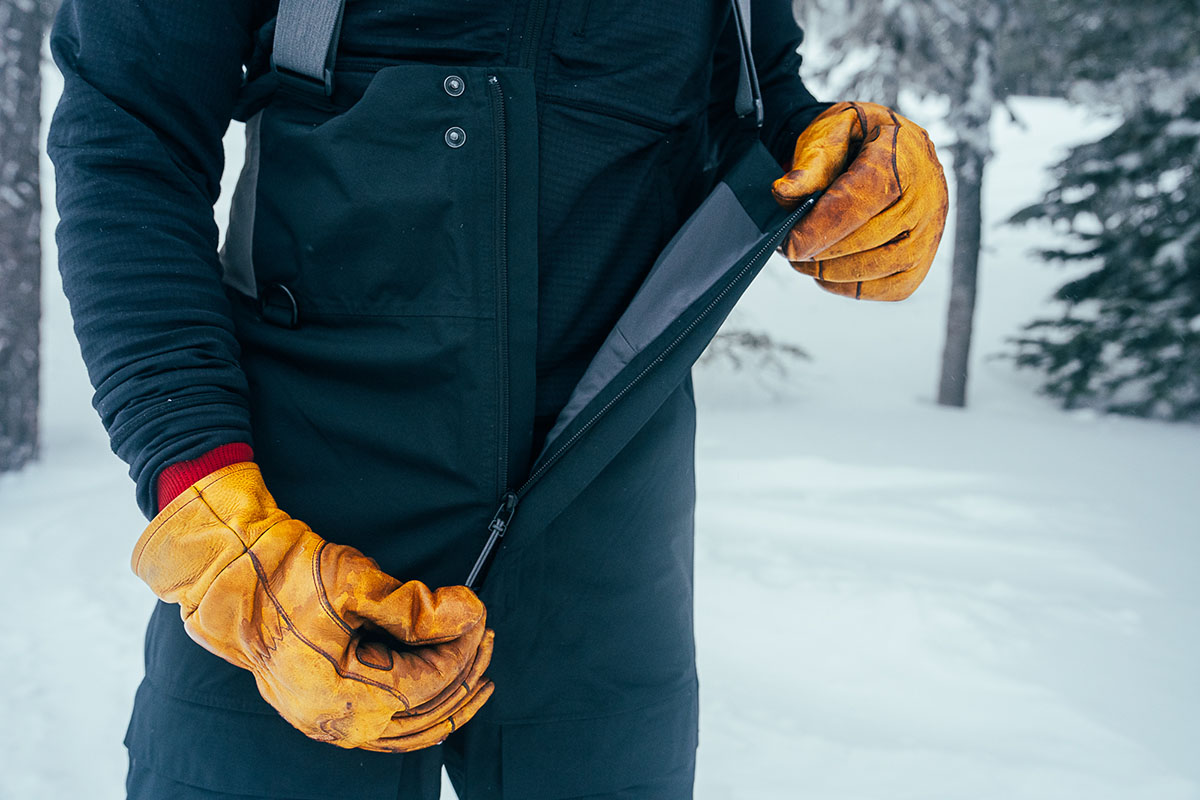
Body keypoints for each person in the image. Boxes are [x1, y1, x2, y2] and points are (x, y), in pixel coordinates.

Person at [48, 0, 948, 797]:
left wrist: (840, 158)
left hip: (606, 533)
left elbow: (746, 93)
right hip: (299, 517)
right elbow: (131, 129)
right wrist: (207, 499)